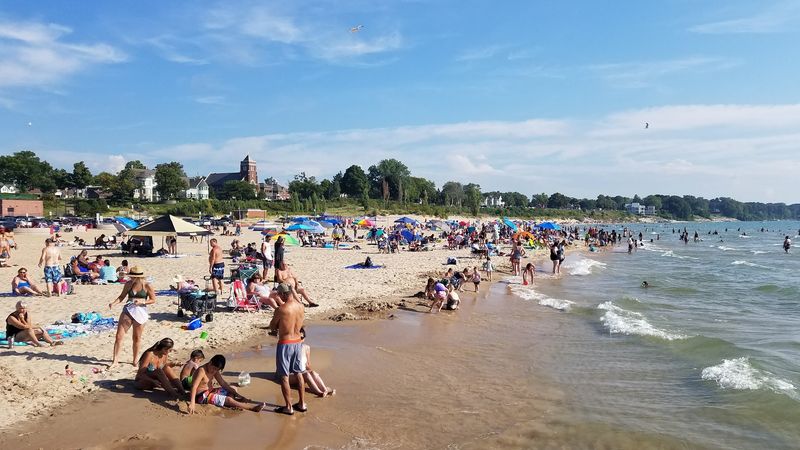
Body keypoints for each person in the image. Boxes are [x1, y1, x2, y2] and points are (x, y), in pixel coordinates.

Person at [269, 283, 307, 415]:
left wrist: (275, 326)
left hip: (285, 343)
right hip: (298, 341)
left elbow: (273, 326)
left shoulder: (282, 309)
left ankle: (289, 407)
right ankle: (302, 404)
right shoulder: (301, 306)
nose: (279, 297)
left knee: (284, 376)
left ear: (285, 294)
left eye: (280, 294)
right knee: (298, 373)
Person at [108, 266, 156, 367]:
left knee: (136, 337)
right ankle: (115, 360)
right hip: (128, 310)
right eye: (131, 276)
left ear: (139, 277)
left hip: (140, 311)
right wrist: (114, 303)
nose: (131, 278)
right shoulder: (128, 284)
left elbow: (153, 299)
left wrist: (142, 301)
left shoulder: (147, 285)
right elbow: (122, 296)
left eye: (133, 277)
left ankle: (135, 360)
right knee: (119, 336)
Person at [188, 355, 265, 414]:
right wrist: (192, 403)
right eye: (214, 368)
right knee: (229, 399)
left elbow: (223, 384)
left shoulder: (215, 370)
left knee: (233, 388)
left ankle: (233, 401)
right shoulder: (201, 371)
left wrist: (238, 395)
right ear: (210, 362)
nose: (214, 371)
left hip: (210, 392)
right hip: (201, 396)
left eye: (217, 370)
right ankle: (252, 408)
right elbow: (194, 386)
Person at [294, 327, 335, 397]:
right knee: (306, 374)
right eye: (298, 338)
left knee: (312, 372)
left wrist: (313, 373)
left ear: (304, 338)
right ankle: (319, 393)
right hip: (291, 374)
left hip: (302, 372)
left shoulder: (306, 348)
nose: (300, 340)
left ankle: (324, 389)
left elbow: (308, 364)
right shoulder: (291, 348)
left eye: (302, 338)